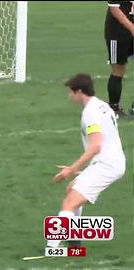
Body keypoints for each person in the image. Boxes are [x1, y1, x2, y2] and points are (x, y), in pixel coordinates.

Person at [47, 74, 125, 248]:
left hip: (107, 165)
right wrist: (75, 170)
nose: (69, 96)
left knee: (69, 203)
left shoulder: (90, 114)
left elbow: (95, 146)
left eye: (71, 92)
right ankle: (74, 242)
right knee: (71, 190)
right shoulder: (102, 105)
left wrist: (70, 169)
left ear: (80, 91)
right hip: (110, 161)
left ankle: (51, 248)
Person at [104, 1, 134, 118]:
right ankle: (114, 108)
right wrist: (132, 27)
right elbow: (114, 8)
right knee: (118, 69)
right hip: (118, 33)